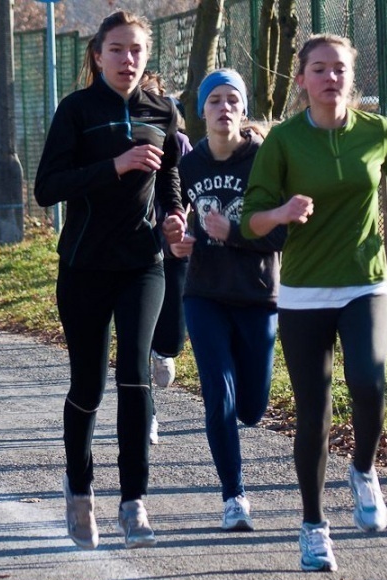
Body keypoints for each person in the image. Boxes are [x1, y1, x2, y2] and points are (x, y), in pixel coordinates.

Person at [240, 34, 387, 572]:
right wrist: (280, 214)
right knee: (314, 416)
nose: (331, 78)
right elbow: (249, 218)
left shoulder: (377, 131)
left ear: (352, 79)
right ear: (301, 79)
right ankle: (313, 527)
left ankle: (365, 470)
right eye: (319, 69)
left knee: (369, 383)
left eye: (340, 70)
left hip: (365, 282)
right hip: (303, 292)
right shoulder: (282, 142)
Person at [34, 10, 186, 550]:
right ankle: (79, 491)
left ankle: (133, 502)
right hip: (84, 265)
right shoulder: (76, 110)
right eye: (117, 50)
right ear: (98, 55)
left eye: (137, 51)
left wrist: (175, 215)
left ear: (147, 57)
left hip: (144, 264)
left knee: (136, 378)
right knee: (89, 386)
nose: (128, 60)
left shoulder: (163, 109)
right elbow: (47, 187)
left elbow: (169, 174)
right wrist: (114, 166)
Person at [170, 68, 285, 533]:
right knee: (218, 395)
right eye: (213, 100)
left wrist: (233, 232)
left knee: (252, 408)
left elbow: (280, 234)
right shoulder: (186, 166)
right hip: (204, 294)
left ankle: (244, 413)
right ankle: (233, 495)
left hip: (256, 295)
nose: (223, 108)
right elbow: (174, 224)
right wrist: (174, 242)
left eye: (231, 99)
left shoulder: (264, 159)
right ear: (202, 111)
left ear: (242, 108)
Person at [139, 71, 193, 445]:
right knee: (135, 336)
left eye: (153, 98)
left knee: (173, 329)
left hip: (173, 242)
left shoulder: (182, 143)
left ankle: (165, 350)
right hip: (135, 245)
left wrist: (180, 215)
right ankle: (146, 417)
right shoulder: (119, 140)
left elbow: (191, 188)